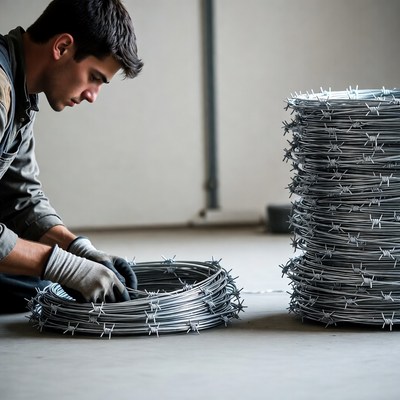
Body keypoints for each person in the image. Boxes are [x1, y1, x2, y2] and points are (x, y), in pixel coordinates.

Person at [0, 0, 143, 313]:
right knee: (35, 281)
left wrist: (77, 249)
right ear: (62, 46)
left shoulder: (20, 89)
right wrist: (65, 267)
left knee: (31, 283)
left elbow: (20, 198)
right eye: (94, 77)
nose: (93, 96)